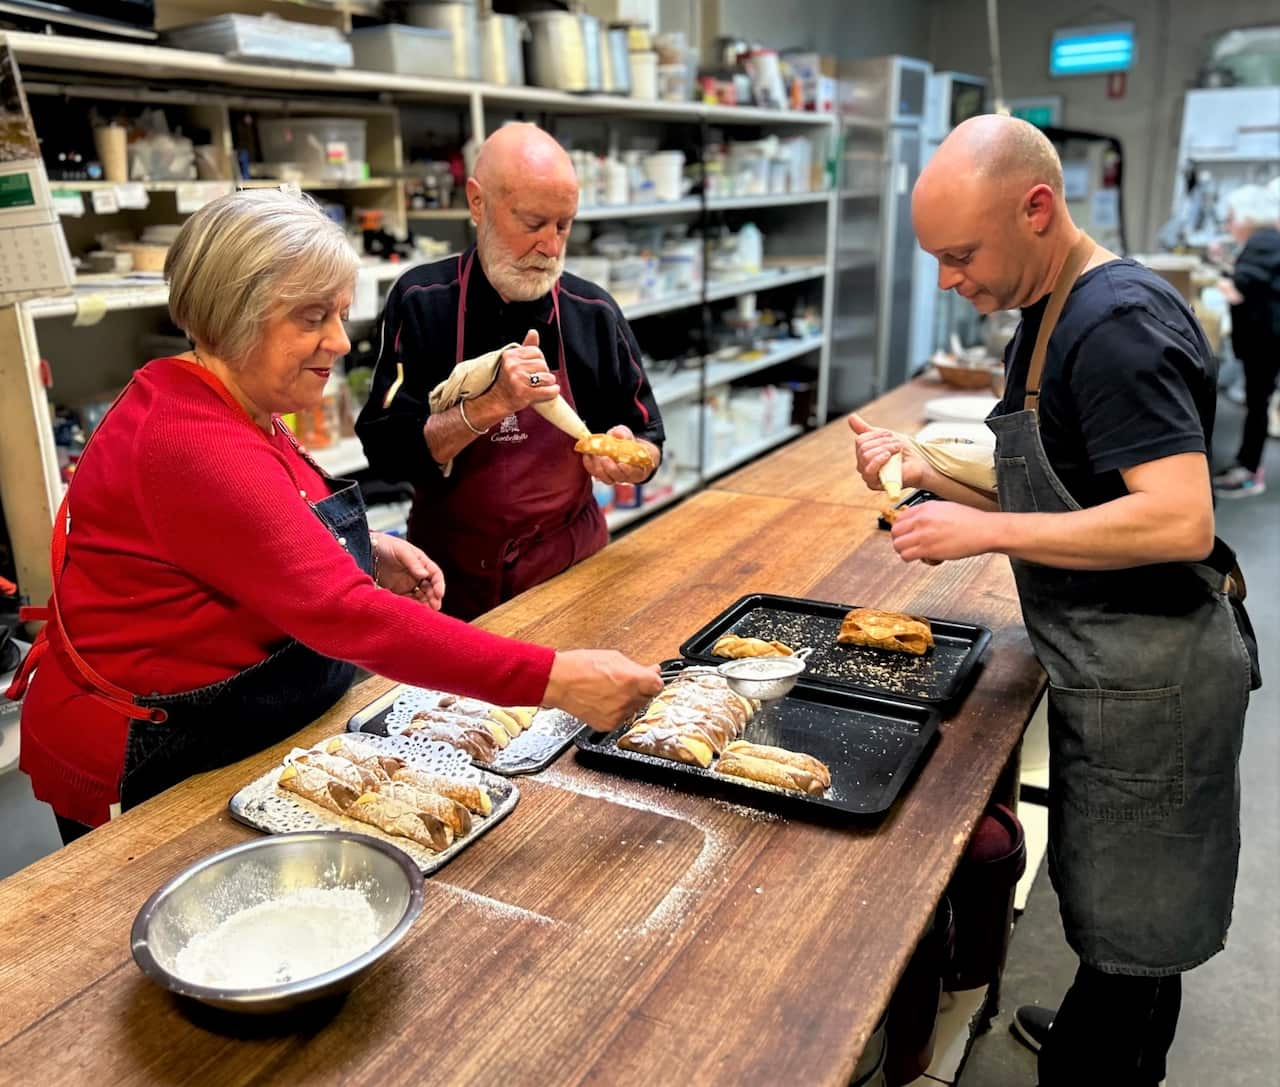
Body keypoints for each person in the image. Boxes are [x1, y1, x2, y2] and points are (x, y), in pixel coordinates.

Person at [5, 189, 662, 842]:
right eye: (312, 317)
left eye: (341, 314)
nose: (340, 342)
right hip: (148, 750)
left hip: (234, 724)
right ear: (236, 312)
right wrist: (556, 678)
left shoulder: (232, 396)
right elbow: (354, 616)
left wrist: (367, 545)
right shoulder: (192, 440)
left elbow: (253, 527)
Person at [849, 116, 1258, 1087]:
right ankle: (1097, 1019)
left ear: (1036, 208)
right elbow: (1062, 483)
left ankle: (1102, 1057)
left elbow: (1174, 521)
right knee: (1110, 903)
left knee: (1138, 924)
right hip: (1105, 664)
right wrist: (926, 474)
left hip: (1154, 680)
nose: (948, 279)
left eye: (959, 254)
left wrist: (980, 533)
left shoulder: (1112, 326)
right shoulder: (1047, 308)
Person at [356, 123, 665, 621]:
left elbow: (649, 438)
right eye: (533, 222)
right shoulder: (423, 302)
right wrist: (488, 404)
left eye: (563, 226)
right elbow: (386, 453)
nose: (550, 246)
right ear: (477, 203)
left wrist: (634, 460)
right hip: (447, 577)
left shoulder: (592, 312)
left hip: (571, 569)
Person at [1212, 183, 1280, 498]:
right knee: (1257, 403)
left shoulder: (1263, 241)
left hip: (1266, 340)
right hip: (1265, 338)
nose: (1229, 225)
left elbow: (1242, 288)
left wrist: (1222, 281)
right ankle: (1247, 464)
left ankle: (1250, 472)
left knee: (1257, 405)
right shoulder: (1264, 241)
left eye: (1231, 218)